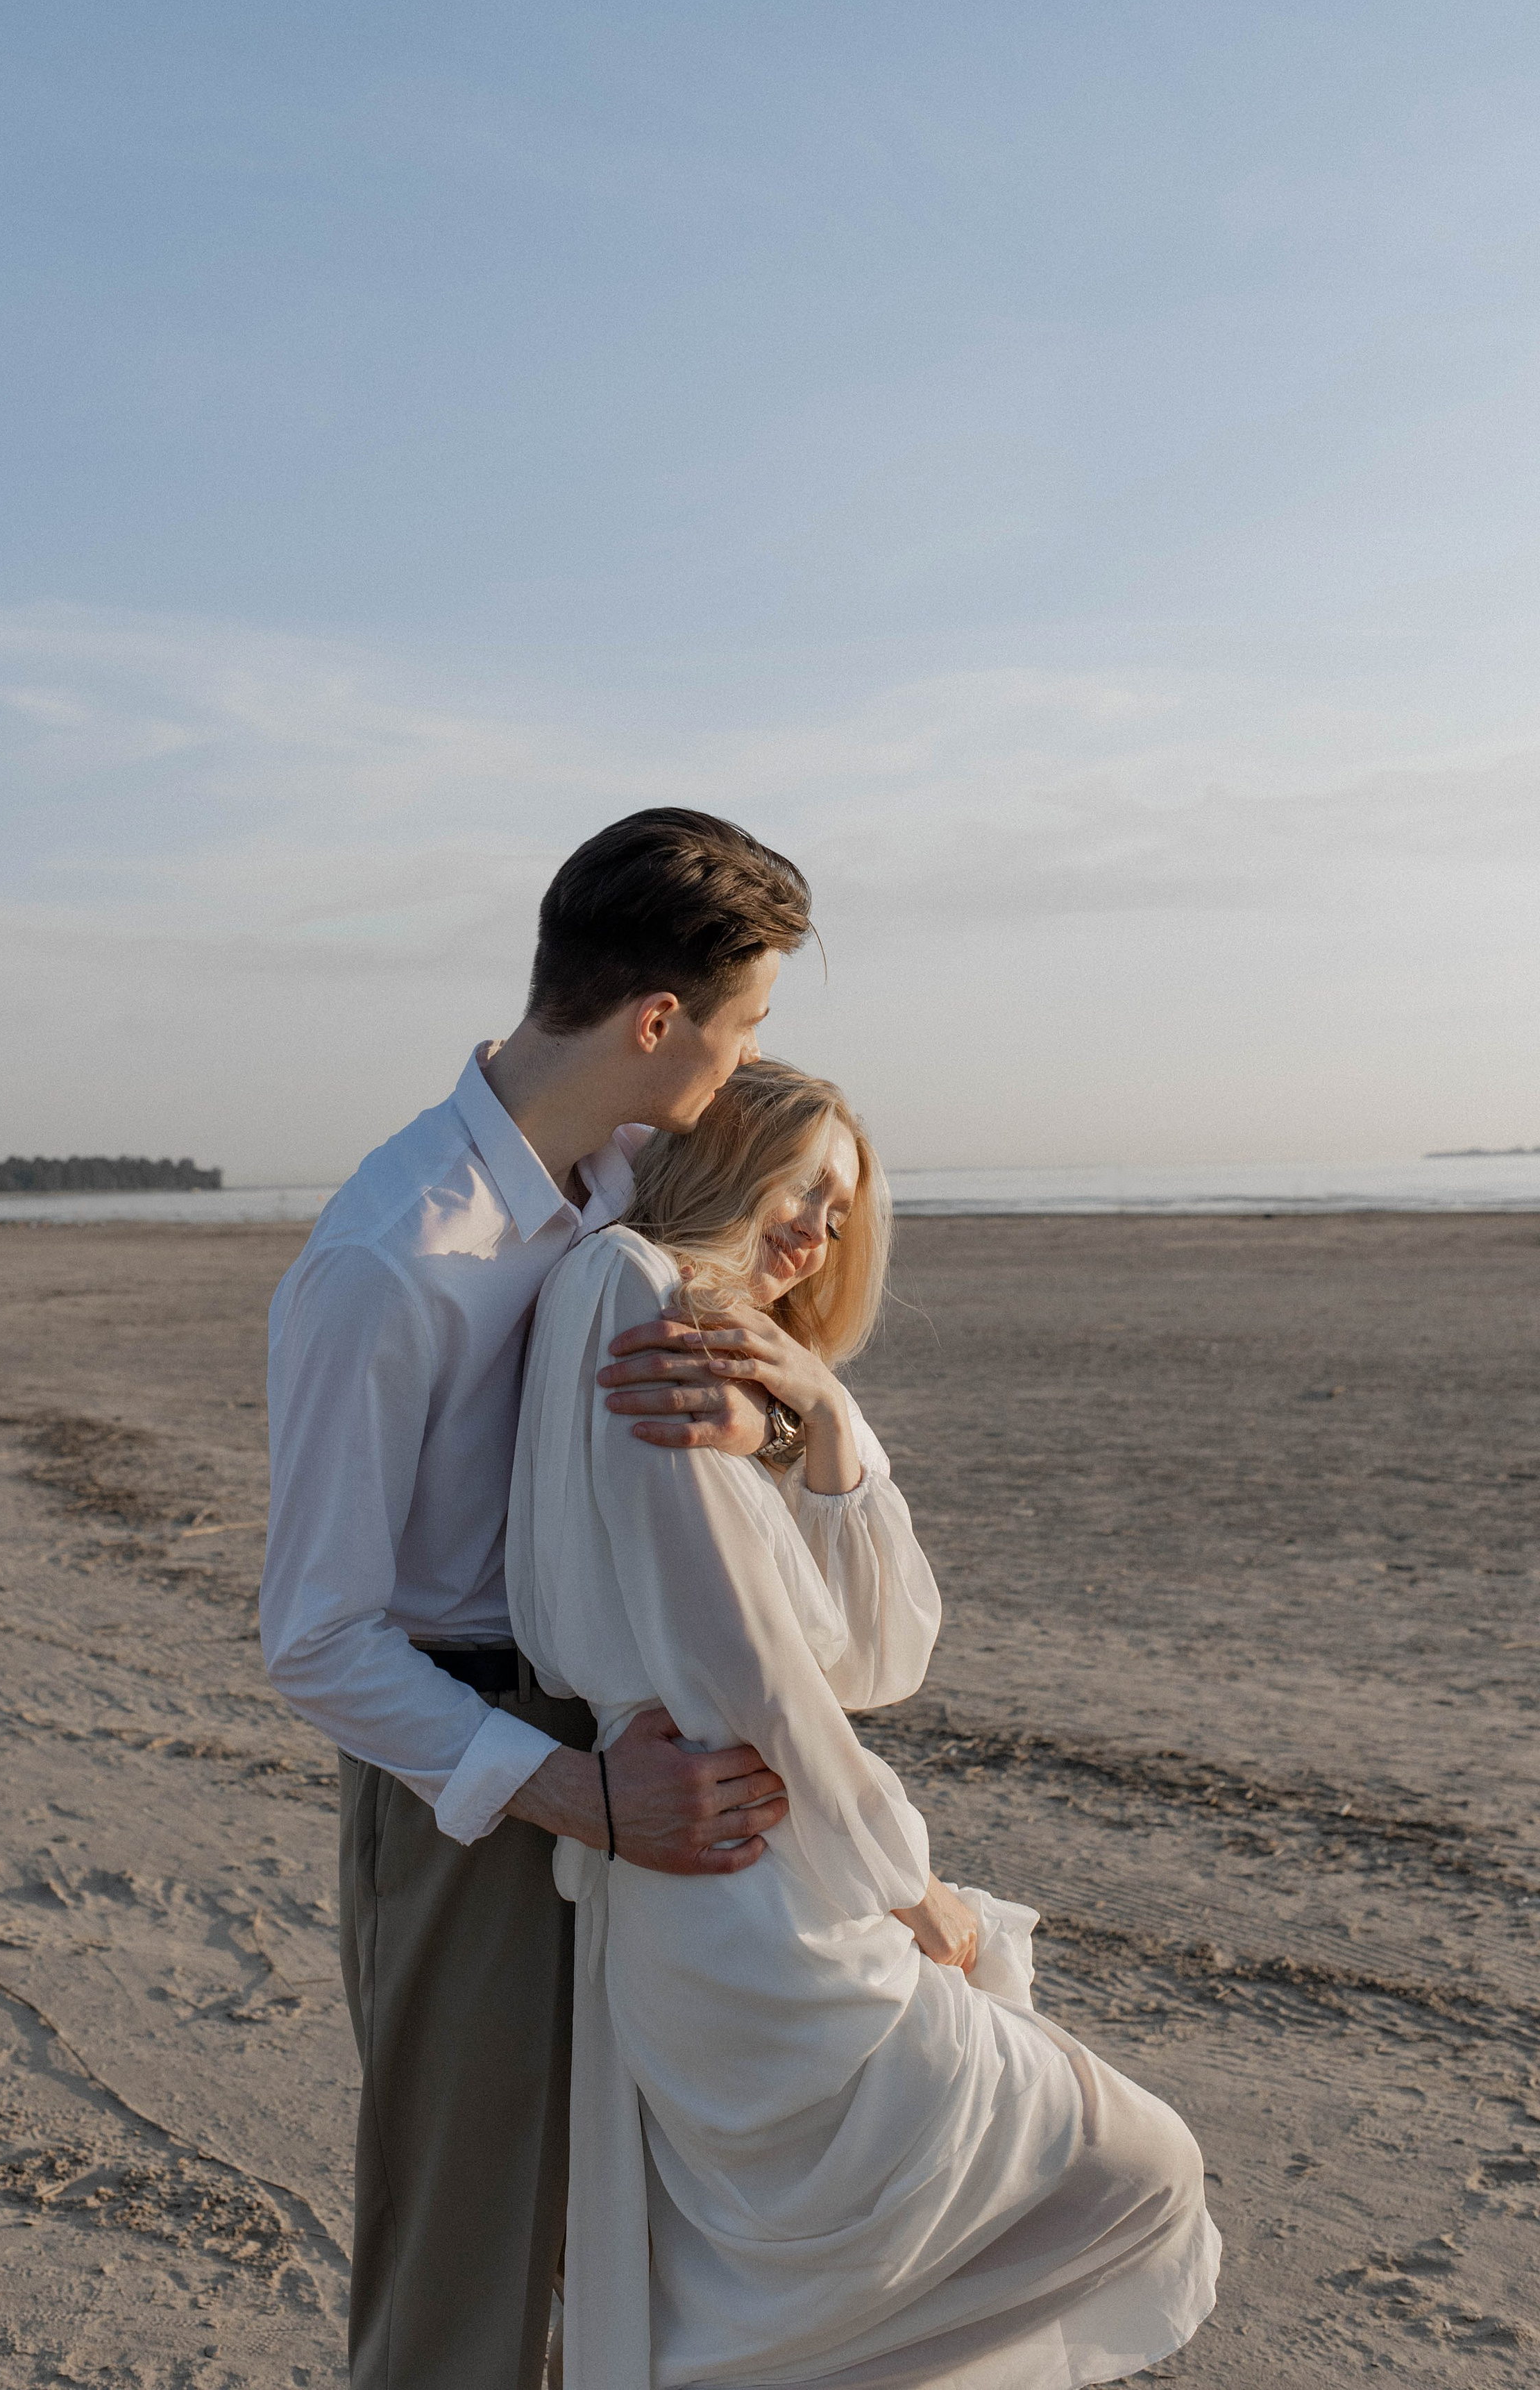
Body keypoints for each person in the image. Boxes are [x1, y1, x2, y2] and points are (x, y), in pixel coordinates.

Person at [508, 1058, 1221, 2390]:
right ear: (729, 1155)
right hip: (754, 1896)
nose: (820, 1234)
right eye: (804, 1186)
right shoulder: (633, 1293)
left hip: (727, 1888)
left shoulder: (686, 1340)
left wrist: (820, 1410)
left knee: (750, 2307)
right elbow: (762, 1678)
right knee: (1136, 2170)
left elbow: (883, 1653)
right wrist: (909, 1887)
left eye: (843, 1213)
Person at [260, 808, 818, 2390]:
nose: (742, 1064)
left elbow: (768, 1315)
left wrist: (776, 1411)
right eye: (744, 1026)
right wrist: (577, 1794)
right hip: (478, 1782)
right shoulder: (392, 1253)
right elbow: (313, 1636)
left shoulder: (633, 1184)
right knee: (468, 2264)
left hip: (630, 1746)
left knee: (640, 2235)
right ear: (657, 1022)